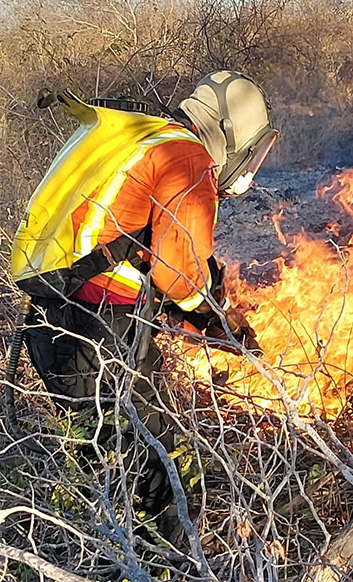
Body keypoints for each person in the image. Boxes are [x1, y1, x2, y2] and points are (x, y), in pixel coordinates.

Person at [10, 70, 278, 540]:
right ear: (232, 136)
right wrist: (217, 322)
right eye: (251, 153)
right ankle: (178, 559)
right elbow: (178, 275)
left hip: (52, 319)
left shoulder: (142, 133)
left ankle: (113, 544)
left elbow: (135, 239)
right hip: (100, 332)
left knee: (106, 452)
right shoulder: (186, 157)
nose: (249, 168)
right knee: (158, 455)